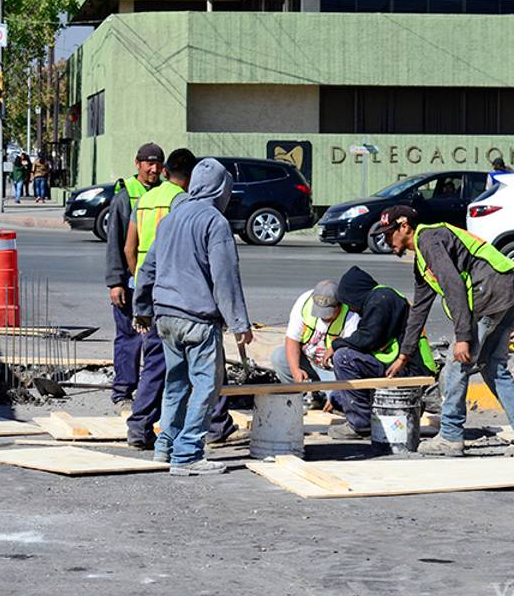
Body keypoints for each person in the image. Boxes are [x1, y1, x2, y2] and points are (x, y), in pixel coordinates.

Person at [370, 206, 514, 457]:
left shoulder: (429, 240)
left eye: (389, 234)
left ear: (405, 226)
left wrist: (463, 337)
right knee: (494, 368)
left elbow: (454, 286)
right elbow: (418, 309)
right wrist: (404, 355)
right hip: (504, 295)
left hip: (488, 297)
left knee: (455, 367)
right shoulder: (423, 257)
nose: (386, 240)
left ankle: (451, 436)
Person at [133, 158, 253, 476]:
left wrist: (142, 309)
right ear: (220, 189)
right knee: (205, 386)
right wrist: (240, 323)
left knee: (175, 384)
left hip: (166, 317)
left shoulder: (172, 219)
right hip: (197, 320)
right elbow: (225, 277)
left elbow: (147, 268)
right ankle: (187, 453)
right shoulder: (215, 222)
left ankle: (165, 446)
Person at [321, 266, 439, 439]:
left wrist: (336, 345)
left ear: (355, 294)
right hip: (399, 364)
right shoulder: (380, 298)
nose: (351, 308)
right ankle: (398, 409)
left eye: (349, 302)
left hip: (408, 367)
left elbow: (368, 338)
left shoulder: (381, 299)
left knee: (343, 358)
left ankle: (361, 425)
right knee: (338, 397)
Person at [104, 143, 165, 409]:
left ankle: (152, 392)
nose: (153, 169)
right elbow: (116, 243)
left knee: (156, 338)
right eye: (148, 163)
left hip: (159, 282)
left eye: (158, 163)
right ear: (137, 163)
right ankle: (123, 390)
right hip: (131, 281)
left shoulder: (167, 193)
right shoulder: (125, 195)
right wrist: (116, 282)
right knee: (129, 336)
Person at [271, 280, 359, 409]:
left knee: (340, 401)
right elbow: (292, 339)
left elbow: (351, 361)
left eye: (328, 313)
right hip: (308, 360)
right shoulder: (304, 302)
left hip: (333, 371)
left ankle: (325, 396)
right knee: (279, 357)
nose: (323, 317)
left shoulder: (351, 315)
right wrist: (295, 370)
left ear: (339, 305)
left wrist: (339, 391)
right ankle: (301, 397)